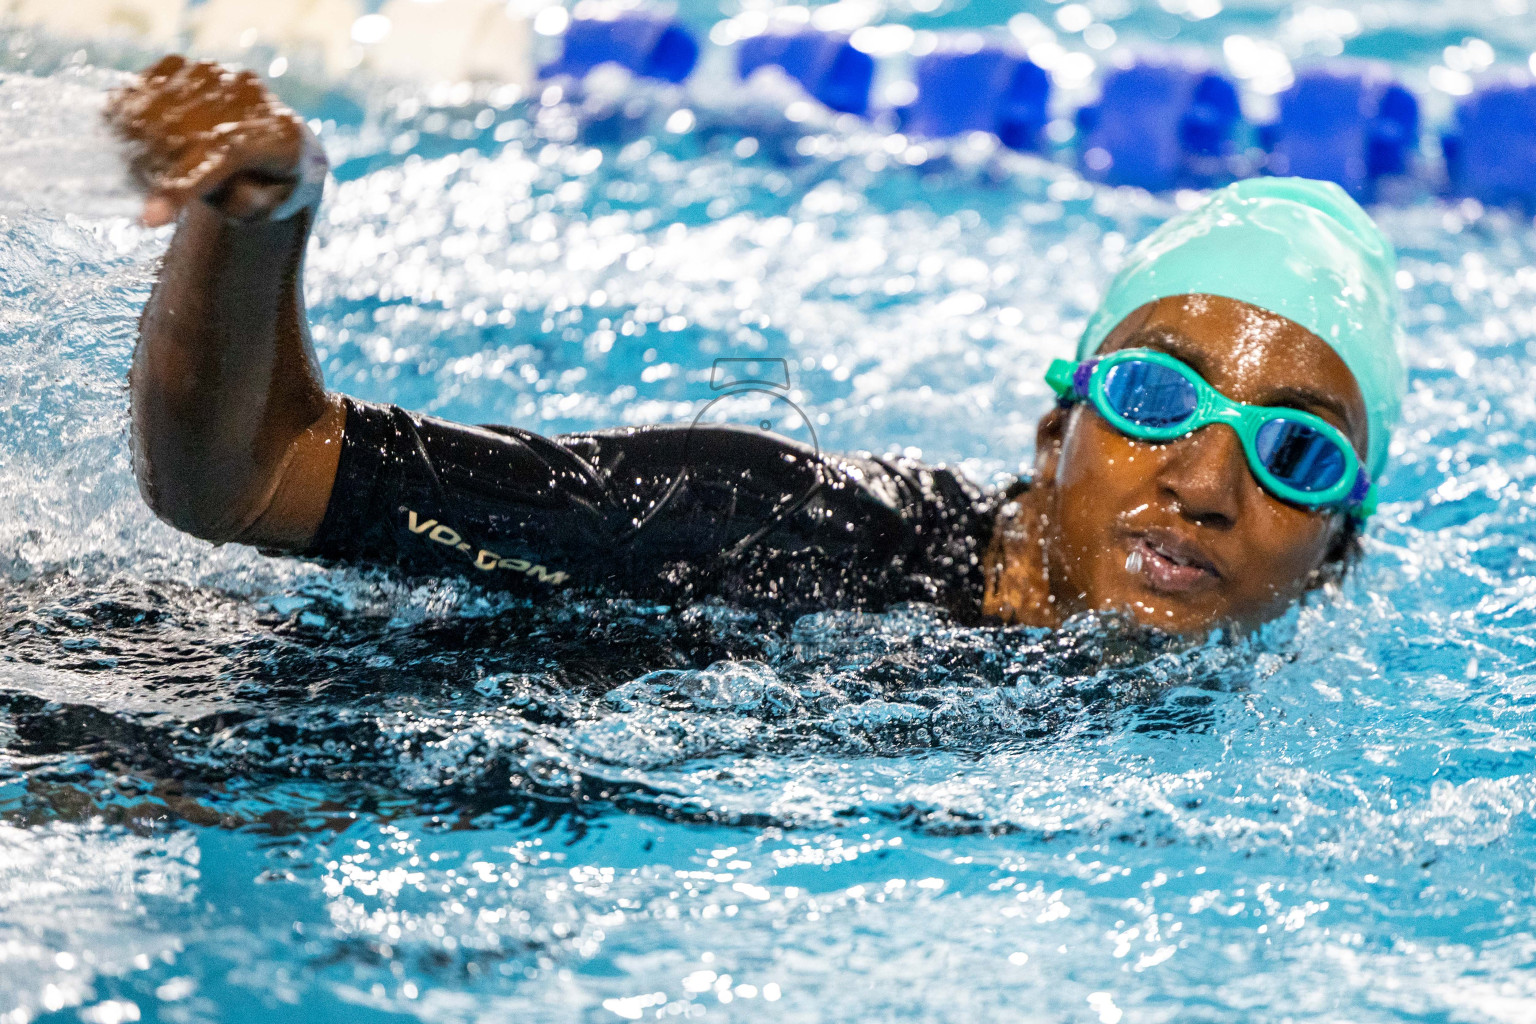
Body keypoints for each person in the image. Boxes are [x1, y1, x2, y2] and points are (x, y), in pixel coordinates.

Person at [107, 56, 1406, 636]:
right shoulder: (762, 521)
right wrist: (261, 213)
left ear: (1338, 550)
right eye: (1152, 394)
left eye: (1296, 452)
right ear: (1053, 429)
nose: (1205, 483)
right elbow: (249, 477)